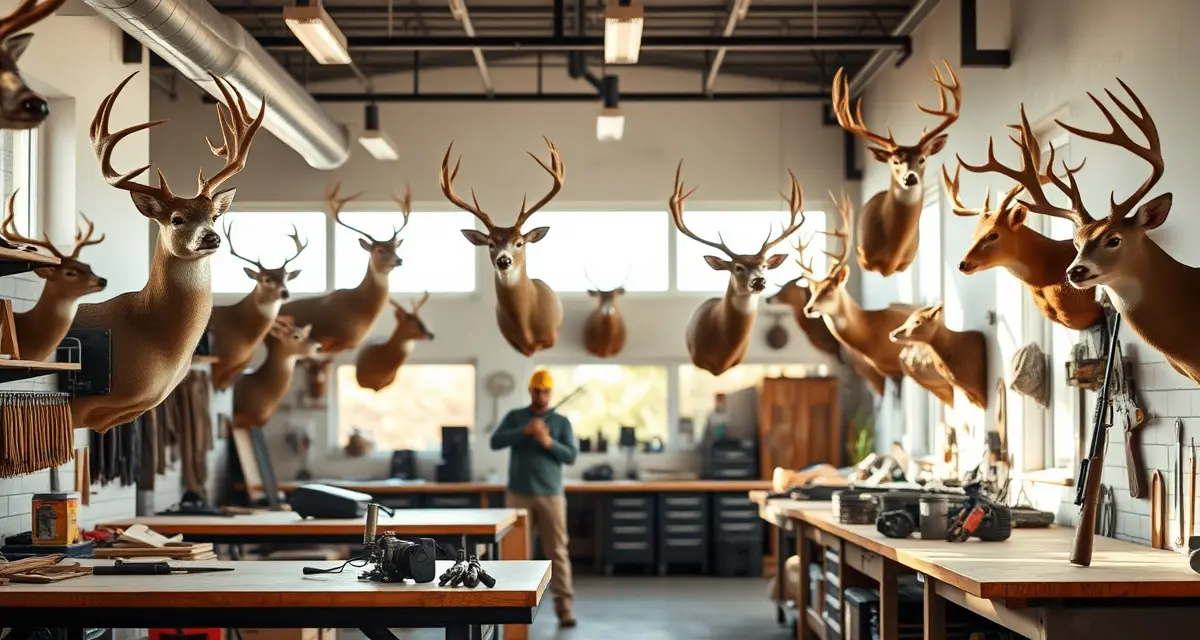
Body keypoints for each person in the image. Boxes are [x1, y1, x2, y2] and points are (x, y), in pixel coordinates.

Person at [490, 369, 578, 627]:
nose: (541, 395)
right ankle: (513, 605)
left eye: (546, 391)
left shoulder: (561, 422)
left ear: (551, 393)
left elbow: (571, 456)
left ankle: (565, 609)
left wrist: (546, 440)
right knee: (516, 553)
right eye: (537, 390)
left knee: (557, 551)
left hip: (551, 495)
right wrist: (524, 431)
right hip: (519, 494)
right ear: (530, 391)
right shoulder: (516, 417)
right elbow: (495, 441)